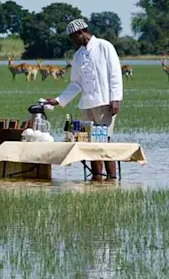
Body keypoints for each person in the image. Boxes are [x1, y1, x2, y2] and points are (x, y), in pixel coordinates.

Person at [45, 18, 123, 181]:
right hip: (87, 105)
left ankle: (112, 178)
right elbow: (76, 83)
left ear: (81, 33)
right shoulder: (78, 55)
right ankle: (96, 178)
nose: (72, 41)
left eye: (73, 37)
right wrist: (58, 100)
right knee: (89, 143)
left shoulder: (104, 46)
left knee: (104, 142)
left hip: (104, 102)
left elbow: (115, 74)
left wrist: (115, 99)